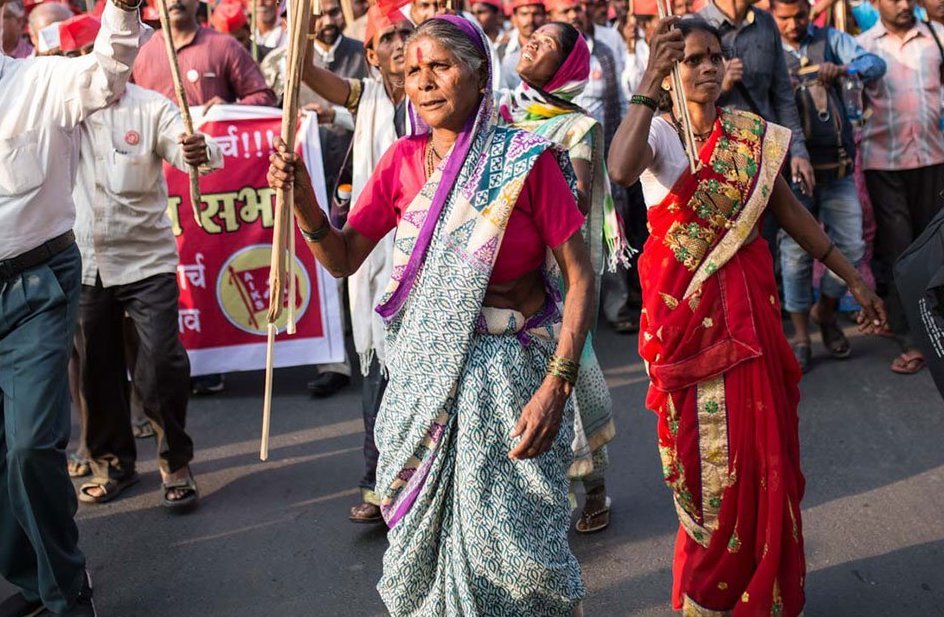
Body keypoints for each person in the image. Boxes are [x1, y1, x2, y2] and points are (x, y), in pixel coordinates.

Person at [270, 15, 590, 614]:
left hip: (512, 381)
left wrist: (558, 383)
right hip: (421, 378)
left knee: (518, 552)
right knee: (426, 549)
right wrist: (306, 203)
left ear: (477, 75)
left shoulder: (524, 160)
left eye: (440, 66)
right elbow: (341, 259)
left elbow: (581, 276)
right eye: (413, 71)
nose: (424, 81)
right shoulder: (401, 162)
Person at [608, 16, 886, 616]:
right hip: (686, 326)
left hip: (750, 323)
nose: (707, 67)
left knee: (762, 459)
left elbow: (789, 213)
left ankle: (763, 593)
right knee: (708, 472)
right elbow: (620, 170)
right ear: (671, 69)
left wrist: (854, 278)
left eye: (714, 57)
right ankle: (711, 596)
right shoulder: (656, 132)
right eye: (692, 60)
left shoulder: (749, 137)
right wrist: (649, 83)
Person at [0, 1, 146, 614]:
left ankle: (66, 590)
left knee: (32, 444)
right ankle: (31, 580)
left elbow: (109, 68)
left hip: (36, 286)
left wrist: (125, 7)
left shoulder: (41, 81)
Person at [68, 16, 223, 511]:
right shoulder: (63, 112)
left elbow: (190, 149)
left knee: (160, 362)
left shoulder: (153, 107)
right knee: (96, 369)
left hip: (147, 260)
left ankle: (174, 460)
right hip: (85, 263)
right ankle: (113, 464)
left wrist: (200, 151)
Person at [499, 20, 623, 532]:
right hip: (506, 270)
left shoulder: (577, 128)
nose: (531, 42)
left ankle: (594, 485)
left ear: (567, 68)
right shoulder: (501, 114)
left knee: (577, 378)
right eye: (532, 35)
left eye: (547, 43)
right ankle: (535, 495)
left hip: (556, 274)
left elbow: (574, 203)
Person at [297, 4, 413, 521]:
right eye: (390, 37)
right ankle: (375, 479)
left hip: (429, 252)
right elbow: (302, 73)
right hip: (373, 252)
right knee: (376, 369)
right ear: (370, 53)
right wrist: (299, 20)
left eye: (409, 34)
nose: (401, 45)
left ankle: (421, 481)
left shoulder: (436, 94)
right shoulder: (361, 96)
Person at [771, 0, 886, 372]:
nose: (792, 24)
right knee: (795, 256)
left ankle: (827, 311)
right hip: (792, 172)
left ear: (809, 12)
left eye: (799, 16)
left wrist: (843, 68)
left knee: (851, 245)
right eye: (784, 18)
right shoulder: (768, 46)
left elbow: (875, 65)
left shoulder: (831, 39)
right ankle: (803, 337)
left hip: (836, 168)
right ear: (773, 15)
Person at [857, 0, 944, 375]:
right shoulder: (861, 46)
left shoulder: (936, 38)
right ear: (876, 3)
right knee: (901, 248)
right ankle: (910, 337)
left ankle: (934, 324)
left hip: (934, 157)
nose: (904, 4)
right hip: (885, 161)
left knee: (935, 247)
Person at [698, 0, 816, 199]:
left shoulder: (766, 22)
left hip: (765, 158)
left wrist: (798, 151)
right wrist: (720, 86)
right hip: (717, 166)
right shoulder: (696, 27)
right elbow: (680, 104)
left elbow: (783, 96)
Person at [132, 0, 276, 110]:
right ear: (156, 3)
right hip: (154, 148)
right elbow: (119, 104)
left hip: (211, 145)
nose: (176, 1)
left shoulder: (225, 46)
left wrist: (229, 109)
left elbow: (264, 97)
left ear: (197, 2)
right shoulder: (138, 50)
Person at [497, 0, 547, 89]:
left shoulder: (553, 49)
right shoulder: (501, 50)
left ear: (545, 17)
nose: (530, 20)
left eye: (536, 14)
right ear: (514, 18)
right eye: (524, 14)